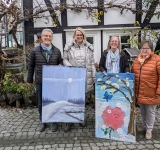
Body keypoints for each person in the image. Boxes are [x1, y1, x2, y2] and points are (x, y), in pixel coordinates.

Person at [27, 28, 62, 132]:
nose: (47, 38)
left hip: (53, 82)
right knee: (41, 103)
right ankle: (43, 120)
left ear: (52, 38)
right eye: (45, 36)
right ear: (41, 37)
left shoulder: (57, 51)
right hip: (40, 81)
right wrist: (29, 80)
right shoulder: (34, 51)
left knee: (53, 102)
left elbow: (59, 64)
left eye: (49, 36)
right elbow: (30, 66)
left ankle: (52, 121)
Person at [63, 27, 96, 132]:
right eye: (77, 34)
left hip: (84, 77)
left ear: (83, 36)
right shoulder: (68, 47)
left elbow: (91, 63)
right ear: (74, 36)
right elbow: (64, 59)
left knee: (82, 99)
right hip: (72, 76)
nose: (79, 36)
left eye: (81, 35)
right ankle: (69, 120)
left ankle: (80, 117)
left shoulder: (89, 48)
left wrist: (94, 75)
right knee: (71, 99)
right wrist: (69, 65)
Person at [132, 40, 160, 140]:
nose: (144, 50)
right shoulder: (137, 59)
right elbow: (133, 73)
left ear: (151, 49)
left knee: (151, 111)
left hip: (151, 91)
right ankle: (144, 125)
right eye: (142, 48)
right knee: (143, 110)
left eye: (147, 48)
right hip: (140, 91)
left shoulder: (157, 59)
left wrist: (158, 91)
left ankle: (149, 129)